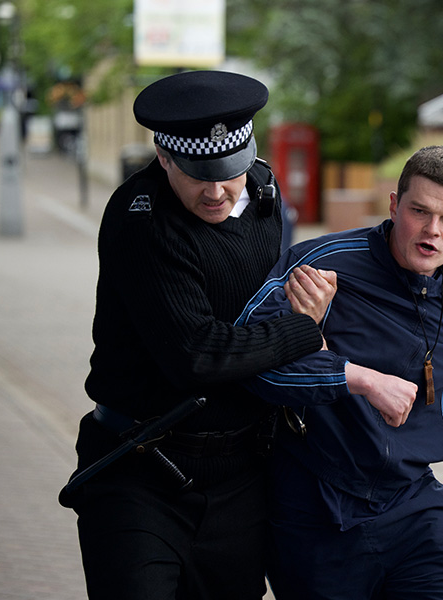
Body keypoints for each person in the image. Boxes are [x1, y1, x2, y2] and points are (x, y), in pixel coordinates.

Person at [59, 70, 336, 600]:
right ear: (164, 158)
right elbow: (198, 354)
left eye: (229, 171)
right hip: (139, 470)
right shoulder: (142, 220)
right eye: (197, 174)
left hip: (240, 476)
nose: (216, 191)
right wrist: (303, 330)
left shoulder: (263, 190)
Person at [238, 145, 443, 599]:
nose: (432, 231)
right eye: (419, 211)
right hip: (314, 507)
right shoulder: (320, 266)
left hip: (413, 504)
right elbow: (251, 362)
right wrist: (354, 376)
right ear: (394, 206)